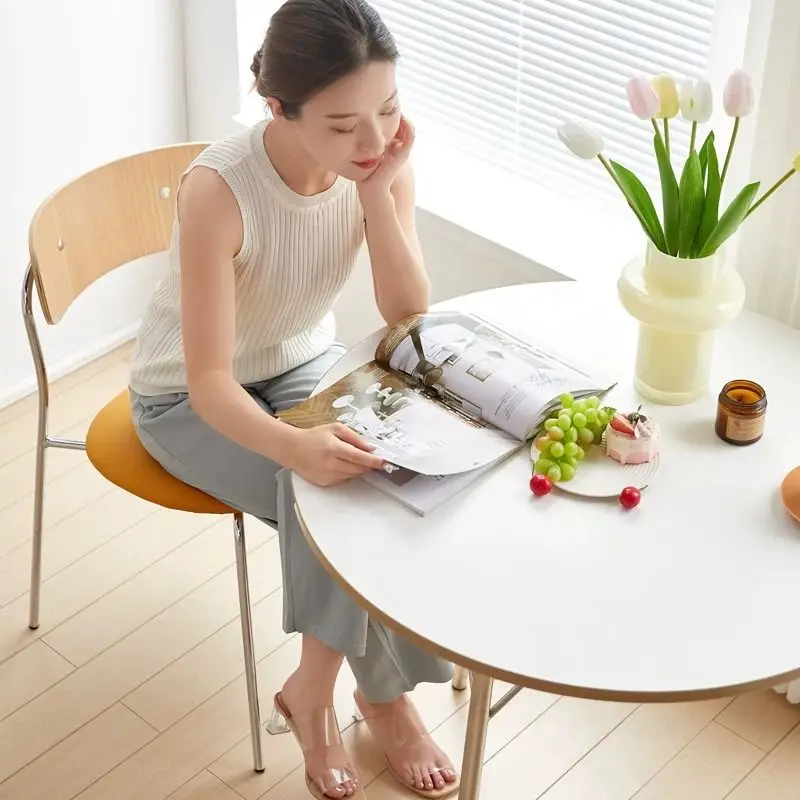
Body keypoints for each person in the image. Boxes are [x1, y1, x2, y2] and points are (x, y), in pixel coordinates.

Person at [127, 0, 460, 798]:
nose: (375, 140)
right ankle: (369, 700)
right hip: (184, 397)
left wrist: (379, 195)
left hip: (302, 367)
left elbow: (406, 310)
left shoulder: (376, 165)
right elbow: (207, 380)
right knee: (318, 487)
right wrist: (293, 446)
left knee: (368, 480)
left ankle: (322, 689)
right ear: (278, 107)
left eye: (387, 108)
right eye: (345, 125)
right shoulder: (219, 190)